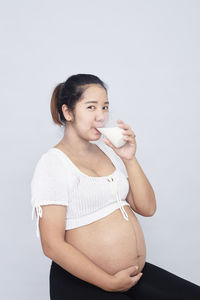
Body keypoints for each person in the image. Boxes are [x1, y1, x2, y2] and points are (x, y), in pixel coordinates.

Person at [31, 74, 200, 299]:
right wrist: (109, 282)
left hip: (131, 276)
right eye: (91, 107)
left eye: (105, 107)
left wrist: (129, 158)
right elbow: (51, 245)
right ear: (68, 112)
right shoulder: (53, 164)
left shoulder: (110, 151)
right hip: (82, 283)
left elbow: (147, 208)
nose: (101, 116)